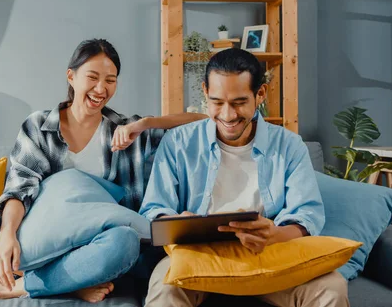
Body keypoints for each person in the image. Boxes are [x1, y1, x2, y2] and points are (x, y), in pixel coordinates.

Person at [0, 39, 207, 304]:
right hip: (37, 242)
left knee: (125, 242)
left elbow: (204, 121)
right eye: (92, 77)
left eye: (110, 81)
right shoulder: (39, 126)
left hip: (97, 247)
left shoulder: (128, 132)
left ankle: (19, 287)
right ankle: (70, 283)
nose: (101, 88)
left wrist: (146, 123)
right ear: (71, 76)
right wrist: (7, 235)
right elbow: (18, 188)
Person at [139, 48, 349, 307]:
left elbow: (306, 215)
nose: (228, 116)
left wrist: (274, 234)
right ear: (205, 91)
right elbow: (153, 210)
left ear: (259, 94)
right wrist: (178, 224)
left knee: (332, 287)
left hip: (270, 254)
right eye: (217, 102)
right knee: (165, 288)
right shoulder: (178, 142)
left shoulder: (289, 145)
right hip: (197, 256)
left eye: (239, 103)